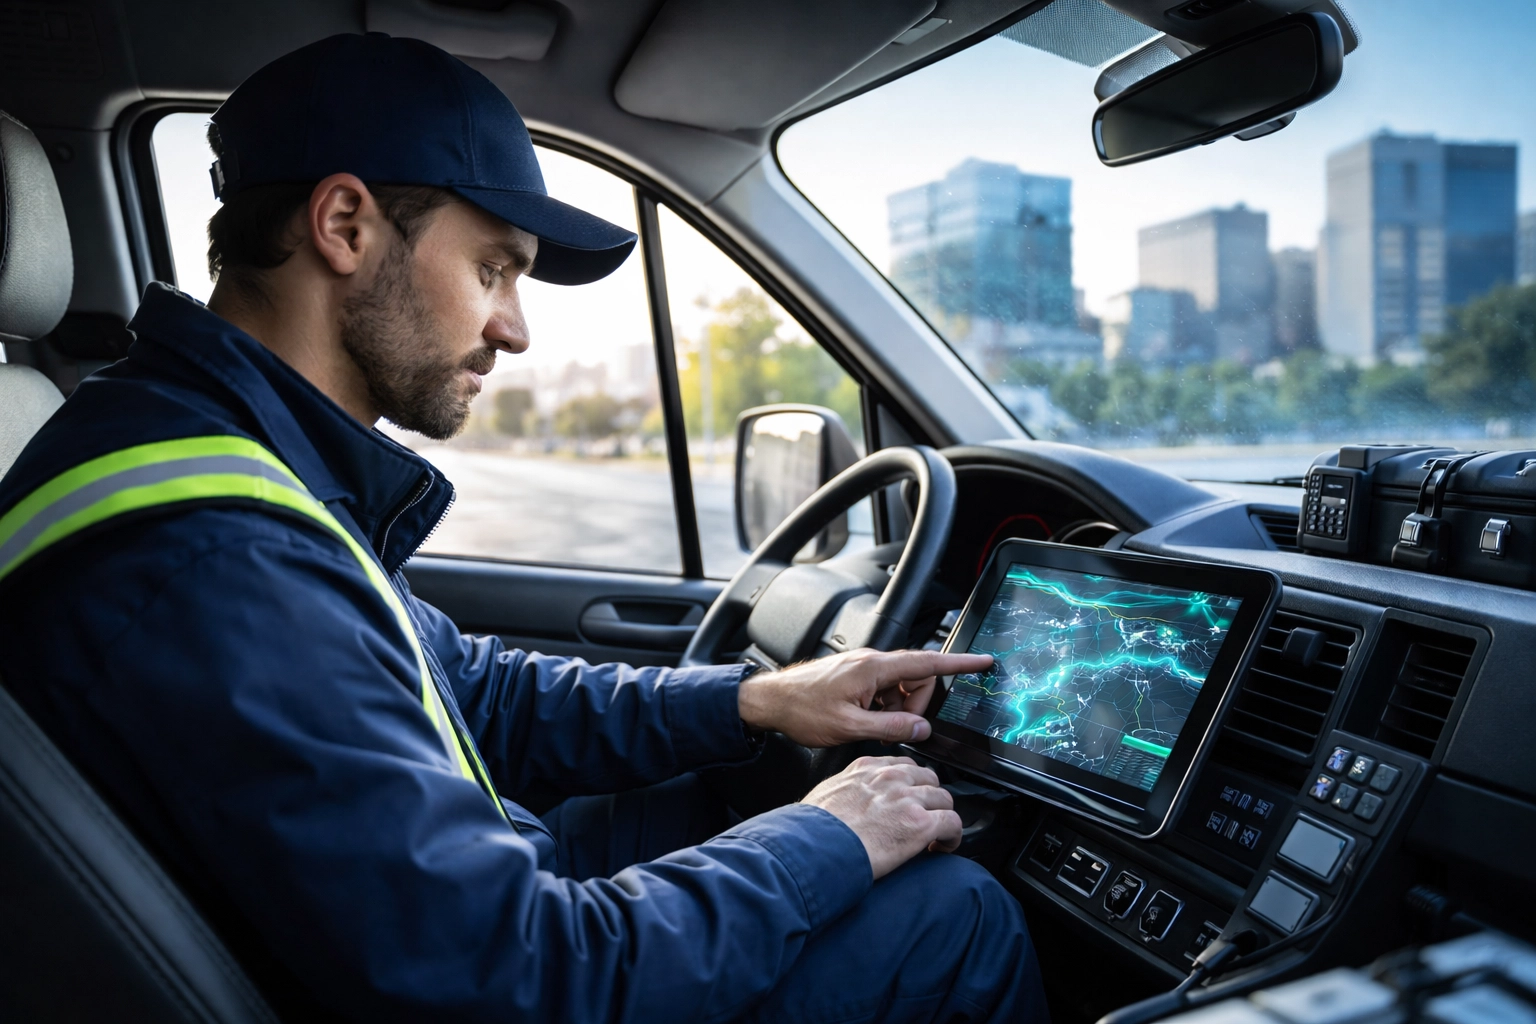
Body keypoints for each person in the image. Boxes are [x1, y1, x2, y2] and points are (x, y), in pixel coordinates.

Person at [0, 34, 1046, 1024]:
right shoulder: (214, 555)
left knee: (751, 775)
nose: (514, 325)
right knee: (952, 918)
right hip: (485, 969)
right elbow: (526, 977)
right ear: (346, 226)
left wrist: (760, 698)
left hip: (427, 914)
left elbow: (475, 694)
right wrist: (833, 835)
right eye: (495, 267)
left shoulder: (222, 456)